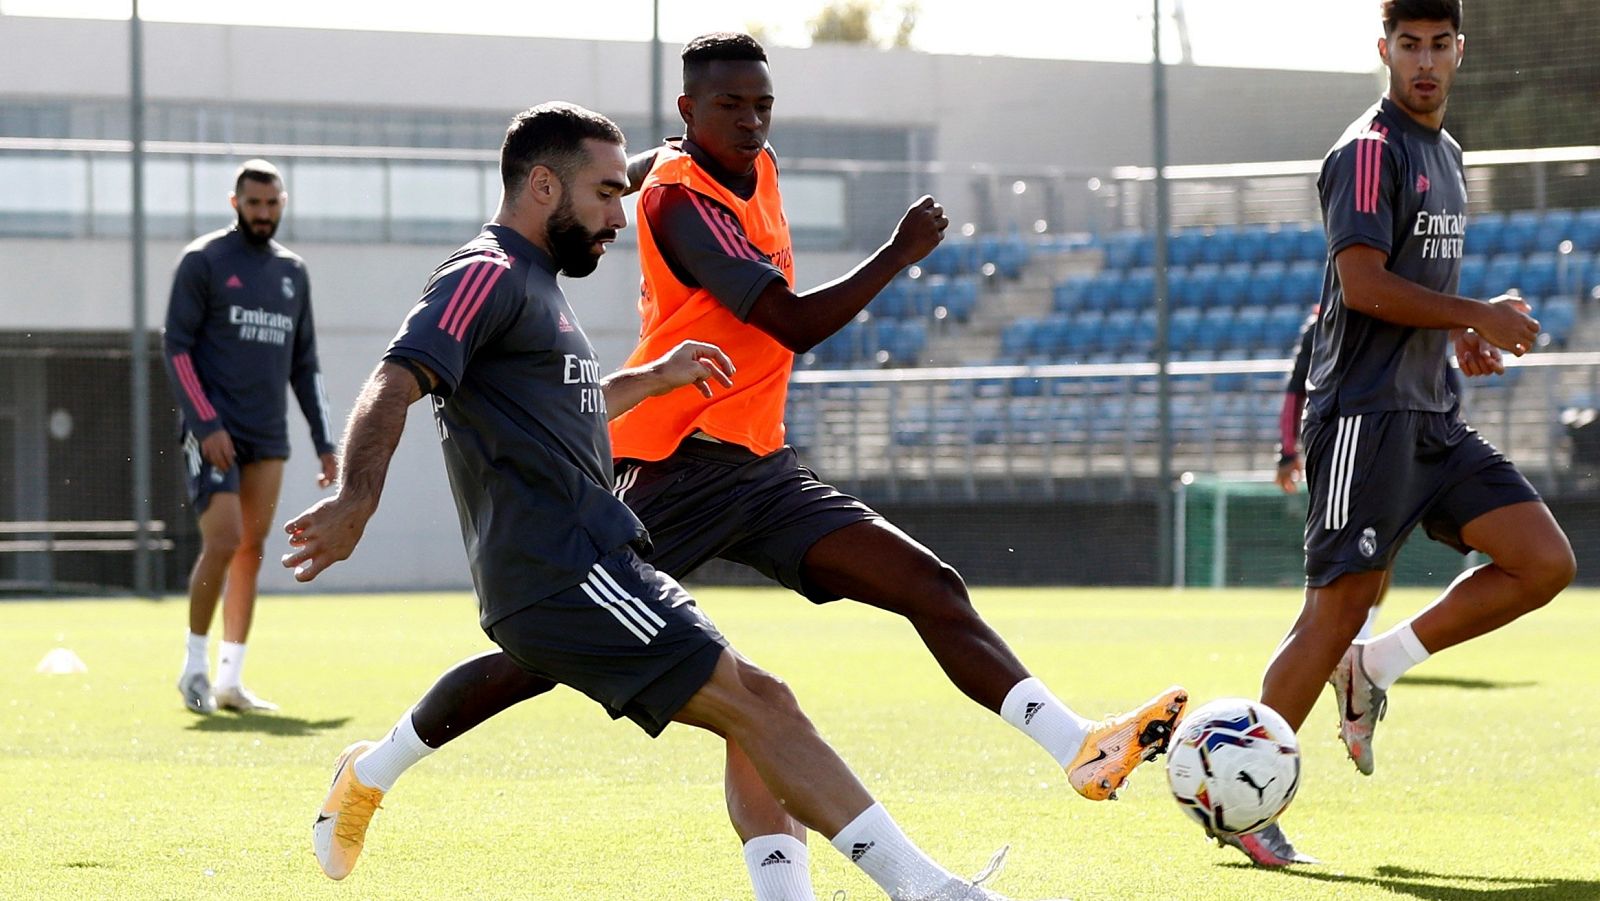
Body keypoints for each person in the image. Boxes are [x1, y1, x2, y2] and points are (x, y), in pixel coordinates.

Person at [303, 34, 1186, 899]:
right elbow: (397, 379)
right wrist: (355, 495)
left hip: (750, 471)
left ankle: (1067, 752)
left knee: (855, 635)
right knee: (657, 684)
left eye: (764, 105)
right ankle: (375, 766)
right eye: (606, 196)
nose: (621, 210)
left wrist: (648, 373)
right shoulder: (524, 260)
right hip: (648, 497)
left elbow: (558, 391)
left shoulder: (551, 277)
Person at [1221, 0, 1575, 867]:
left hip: (1432, 415)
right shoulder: (1367, 151)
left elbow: (1414, 282)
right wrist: (1475, 313)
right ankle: (1239, 804)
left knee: (1544, 561)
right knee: (1333, 608)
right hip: (1362, 419)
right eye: (1408, 45)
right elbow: (1365, 284)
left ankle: (1374, 667)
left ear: (1460, 50)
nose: (1424, 60)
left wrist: (1460, 337)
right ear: (1384, 49)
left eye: (1439, 44)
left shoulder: (1448, 153)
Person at [163, 159, 337, 715]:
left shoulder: (293, 272)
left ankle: (230, 681)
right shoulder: (204, 261)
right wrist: (206, 424)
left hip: (268, 434)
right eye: (253, 204)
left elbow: (304, 364)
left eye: (272, 204)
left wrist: (325, 440)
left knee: (251, 551)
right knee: (222, 539)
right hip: (214, 432)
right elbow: (177, 347)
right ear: (235, 203)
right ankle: (193, 668)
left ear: (282, 203)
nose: (263, 214)